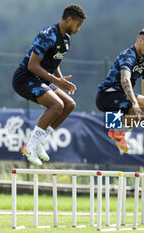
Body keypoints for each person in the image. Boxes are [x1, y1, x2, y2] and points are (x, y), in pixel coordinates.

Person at [12, 4, 87, 166]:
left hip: (43, 79)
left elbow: (54, 62)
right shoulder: (47, 35)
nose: (78, 29)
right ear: (69, 19)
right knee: (56, 104)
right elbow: (32, 65)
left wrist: (61, 80)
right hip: (25, 78)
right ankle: (30, 146)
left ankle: (40, 141)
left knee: (69, 104)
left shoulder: (66, 40)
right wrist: (56, 81)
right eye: (78, 24)